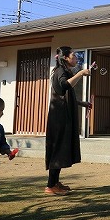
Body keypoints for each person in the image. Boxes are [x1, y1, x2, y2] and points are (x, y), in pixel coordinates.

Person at [44, 45, 92, 195]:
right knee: (58, 149)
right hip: (59, 119)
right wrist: (81, 73)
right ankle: (51, 186)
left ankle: (55, 182)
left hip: (62, 117)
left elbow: (65, 93)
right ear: (65, 58)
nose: (76, 58)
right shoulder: (60, 72)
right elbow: (64, 85)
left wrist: (81, 103)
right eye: (74, 56)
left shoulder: (64, 71)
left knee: (61, 148)